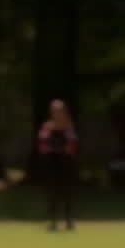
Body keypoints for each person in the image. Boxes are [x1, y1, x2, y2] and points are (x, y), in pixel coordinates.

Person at [39, 99, 78, 231]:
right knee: (52, 191)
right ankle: (53, 220)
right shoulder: (47, 126)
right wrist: (49, 149)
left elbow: (72, 143)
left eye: (60, 111)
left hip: (66, 162)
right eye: (55, 111)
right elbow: (42, 144)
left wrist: (66, 150)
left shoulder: (69, 127)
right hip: (51, 162)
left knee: (67, 191)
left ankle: (69, 219)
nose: (57, 113)